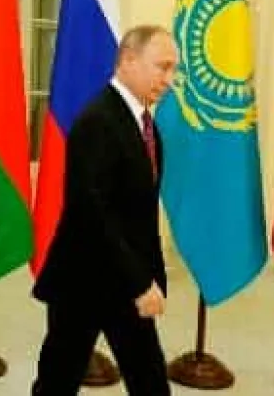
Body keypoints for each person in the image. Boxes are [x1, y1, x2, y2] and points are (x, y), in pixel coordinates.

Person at [32, 24, 179, 395]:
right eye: (162, 67)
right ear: (128, 60)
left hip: (125, 282)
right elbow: (92, 214)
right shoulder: (98, 121)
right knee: (56, 385)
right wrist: (140, 282)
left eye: (174, 69)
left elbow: (141, 216)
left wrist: (153, 277)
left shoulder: (146, 125)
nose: (169, 80)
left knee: (151, 384)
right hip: (82, 283)